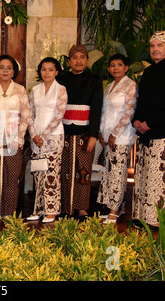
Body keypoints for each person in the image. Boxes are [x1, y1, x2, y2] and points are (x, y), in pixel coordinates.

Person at [132, 31, 165, 228]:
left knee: (157, 179)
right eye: (152, 46)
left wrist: (150, 123)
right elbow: (142, 101)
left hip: (162, 134)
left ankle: (155, 221)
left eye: (160, 45)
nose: (155, 49)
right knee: (143, 177)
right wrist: (136, 121)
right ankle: (140, 217)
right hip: (144, 133)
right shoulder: (148, 72)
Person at [56, 44, 103, 219]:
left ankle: (82, 207)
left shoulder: (95, 80)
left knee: (83, 171)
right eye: (74, 57)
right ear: (69, 61)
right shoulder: (61, 79)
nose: (78, 61)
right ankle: (64, 205)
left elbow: (97, 109)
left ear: (87, 60)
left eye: (81, 57)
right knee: (65, 170)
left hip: (85, 132)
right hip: (64, 131)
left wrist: (93, 135)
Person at [0, 54, 30, 221]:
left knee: (12, 177)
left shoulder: (20, 90)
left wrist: (19, 139)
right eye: (1, 67)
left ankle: (9, 212)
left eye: (9, 68)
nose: (5, 71)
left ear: (14, 71)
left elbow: (25, 116)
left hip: (13, 139)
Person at [97, 54, 138, 224]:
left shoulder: (130, 85)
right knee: (110, 172)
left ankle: (114, 211)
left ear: (126, 67)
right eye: (112, 65)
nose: (115, 68)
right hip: (108, 135)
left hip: (122, 136)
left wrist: (115, 133)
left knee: (118, 173)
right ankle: (116, 207)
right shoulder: (110, 86)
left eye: (119, 65)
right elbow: (105, 112)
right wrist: (101, 132)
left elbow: (130, 112)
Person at [27, 57, 67, 223]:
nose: (47, 72)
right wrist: (33, 134)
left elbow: (59, 114)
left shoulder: (61, 89)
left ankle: (51, 211)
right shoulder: (35, 90)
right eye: (44, 69)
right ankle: (38, 209)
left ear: (56, 71)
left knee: (51, 174)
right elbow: (29, 114)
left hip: (53, 138)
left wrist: (43, 136)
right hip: (36, 138)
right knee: (38, 174)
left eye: (51, 69)